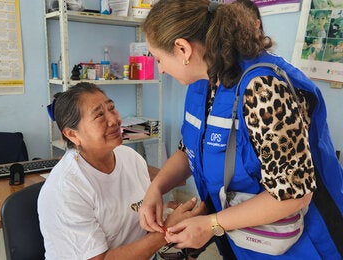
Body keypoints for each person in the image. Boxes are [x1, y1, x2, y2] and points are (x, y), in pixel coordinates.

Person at [139, 0, 343, 259]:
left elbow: (293, 194)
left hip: (302, 242)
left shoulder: (263, 89)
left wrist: (211, 224)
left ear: (183, 48)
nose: (161, 69)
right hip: (244, 237)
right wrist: (155, 189)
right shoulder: (204, 82)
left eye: (159, 58)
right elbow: (190, 148)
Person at [37, 82, 206, 259]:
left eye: (112, 108)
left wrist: (161, 216)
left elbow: (128, 215)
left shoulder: (129, 157)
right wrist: (165, 232)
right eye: (99, 115)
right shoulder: (65, 189)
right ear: (72, 134)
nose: (114, 120)